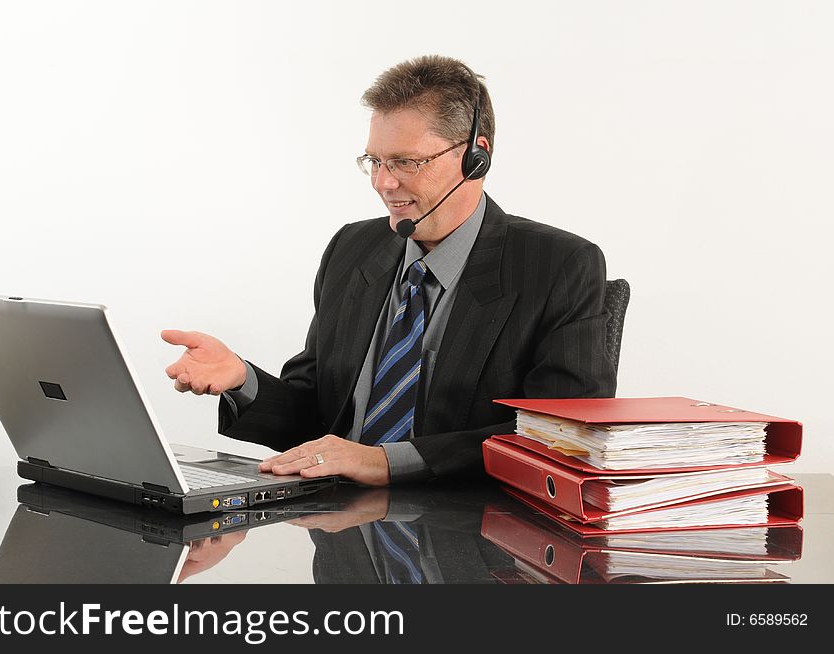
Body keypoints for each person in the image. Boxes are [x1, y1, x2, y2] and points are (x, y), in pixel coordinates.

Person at [162, 55, 616, 487]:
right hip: (340, 532)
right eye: (375, 162)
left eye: (406, 161)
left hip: (465, 542)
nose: (384, 182)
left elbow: (559, 441)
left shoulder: (559, 266)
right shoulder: (352, 249)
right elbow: (317, 419)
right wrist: (244, 380)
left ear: (476, 156)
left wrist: (387, 462)